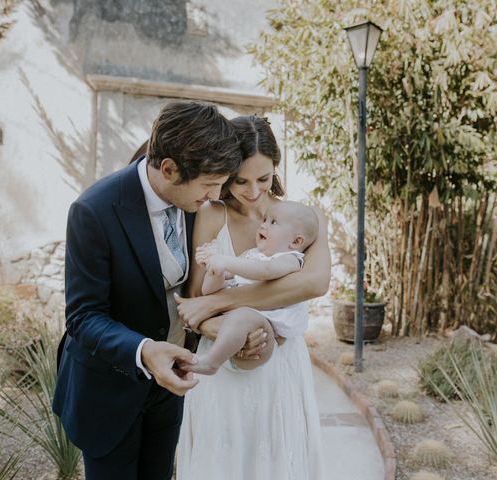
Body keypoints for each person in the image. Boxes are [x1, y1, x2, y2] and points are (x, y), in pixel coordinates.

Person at [52, 101, 259, 480]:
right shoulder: (93, 211)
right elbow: (84, 318)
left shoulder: (197, 205)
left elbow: (193, 291)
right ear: (169, 169)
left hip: (167, 393)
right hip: (108, 392)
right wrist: (145, 351)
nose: (215, 196)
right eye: (209, 184)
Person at [176, 115, 330, 480]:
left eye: (263, 178)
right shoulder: (213, 214)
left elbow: (314, 284)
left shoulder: (303, 220)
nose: (253, 190)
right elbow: (196, 301)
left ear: (276, 168)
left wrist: (218, 304)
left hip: (282, 364)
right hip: (226, 363)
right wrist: (234, 333)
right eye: (241, 180)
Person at [188, 200, 319, 375]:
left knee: (243, 316)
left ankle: (211, 362)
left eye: (273, 222)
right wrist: (213, 267)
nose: (263, 225)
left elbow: (265, 272)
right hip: (237, 333)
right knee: (240, 318)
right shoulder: (251, 255)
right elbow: (209, 291)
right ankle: (217, 359)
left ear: (296, 241)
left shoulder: (291, 259)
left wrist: (224, 261)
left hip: (267, 335)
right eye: (265, 220)